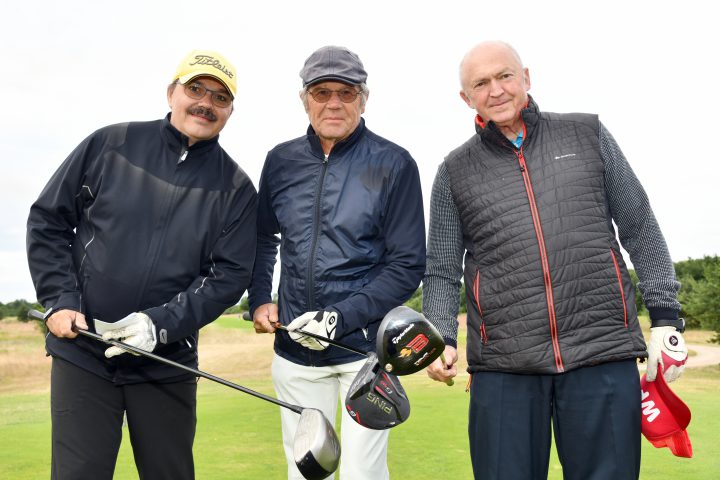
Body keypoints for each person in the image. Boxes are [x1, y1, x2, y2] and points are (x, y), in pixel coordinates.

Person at [422, 41, 688, 480]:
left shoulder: (588, 134)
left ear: (526, 77)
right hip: (504, 366)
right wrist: (441, 337)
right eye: (480, 83)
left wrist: (665, 317)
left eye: (505, 76)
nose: (496, 90)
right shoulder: (454, 170)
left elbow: (639, 224)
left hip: (601, 351)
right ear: (465, 98)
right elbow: (442, 270)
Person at [26, 50, 257, 480]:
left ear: (229, 112)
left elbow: (229, 276)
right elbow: (48, 220)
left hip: (166, 362)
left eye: (220, 97)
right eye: (195, 89)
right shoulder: (111, 143)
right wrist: (60, 298)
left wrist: (159, 325)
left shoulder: (237, 188)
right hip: (84, 352)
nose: (206, 102)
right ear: (172, 92)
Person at [249, 45, 425, 480]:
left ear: (364, 99)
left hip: (362, 352)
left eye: (346, 93)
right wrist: (258, 297)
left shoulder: (394, 163)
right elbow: (263, 235)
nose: (333, 103)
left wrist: (338, 316)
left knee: (363, 474)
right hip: (295, 351)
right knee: (306, 472)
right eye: (321, 92)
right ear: (304, 98)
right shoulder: (280, 160)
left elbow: (406, 265)